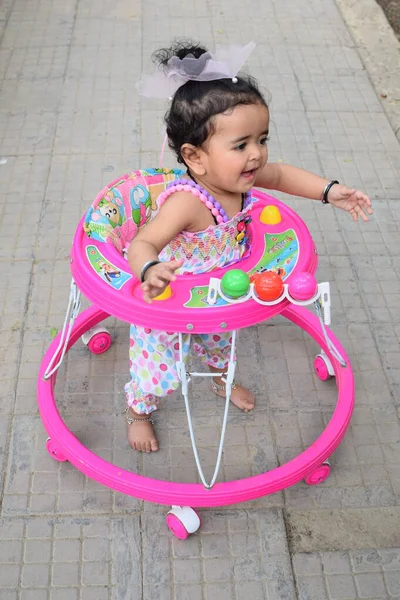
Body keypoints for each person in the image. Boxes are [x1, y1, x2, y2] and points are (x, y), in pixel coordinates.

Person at [125, 41, 372, 453]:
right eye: (241, 145)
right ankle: (138, 410)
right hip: (170, 298)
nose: (257, 155)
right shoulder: (187, 202)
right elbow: (143, 241)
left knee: (223, 342)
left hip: (222, 291)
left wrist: (330, 192)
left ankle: (221, 379)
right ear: (195, 157)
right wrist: (150, 269)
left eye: (262, 139)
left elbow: (284, 175)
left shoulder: (241, 177)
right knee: (157, 371)